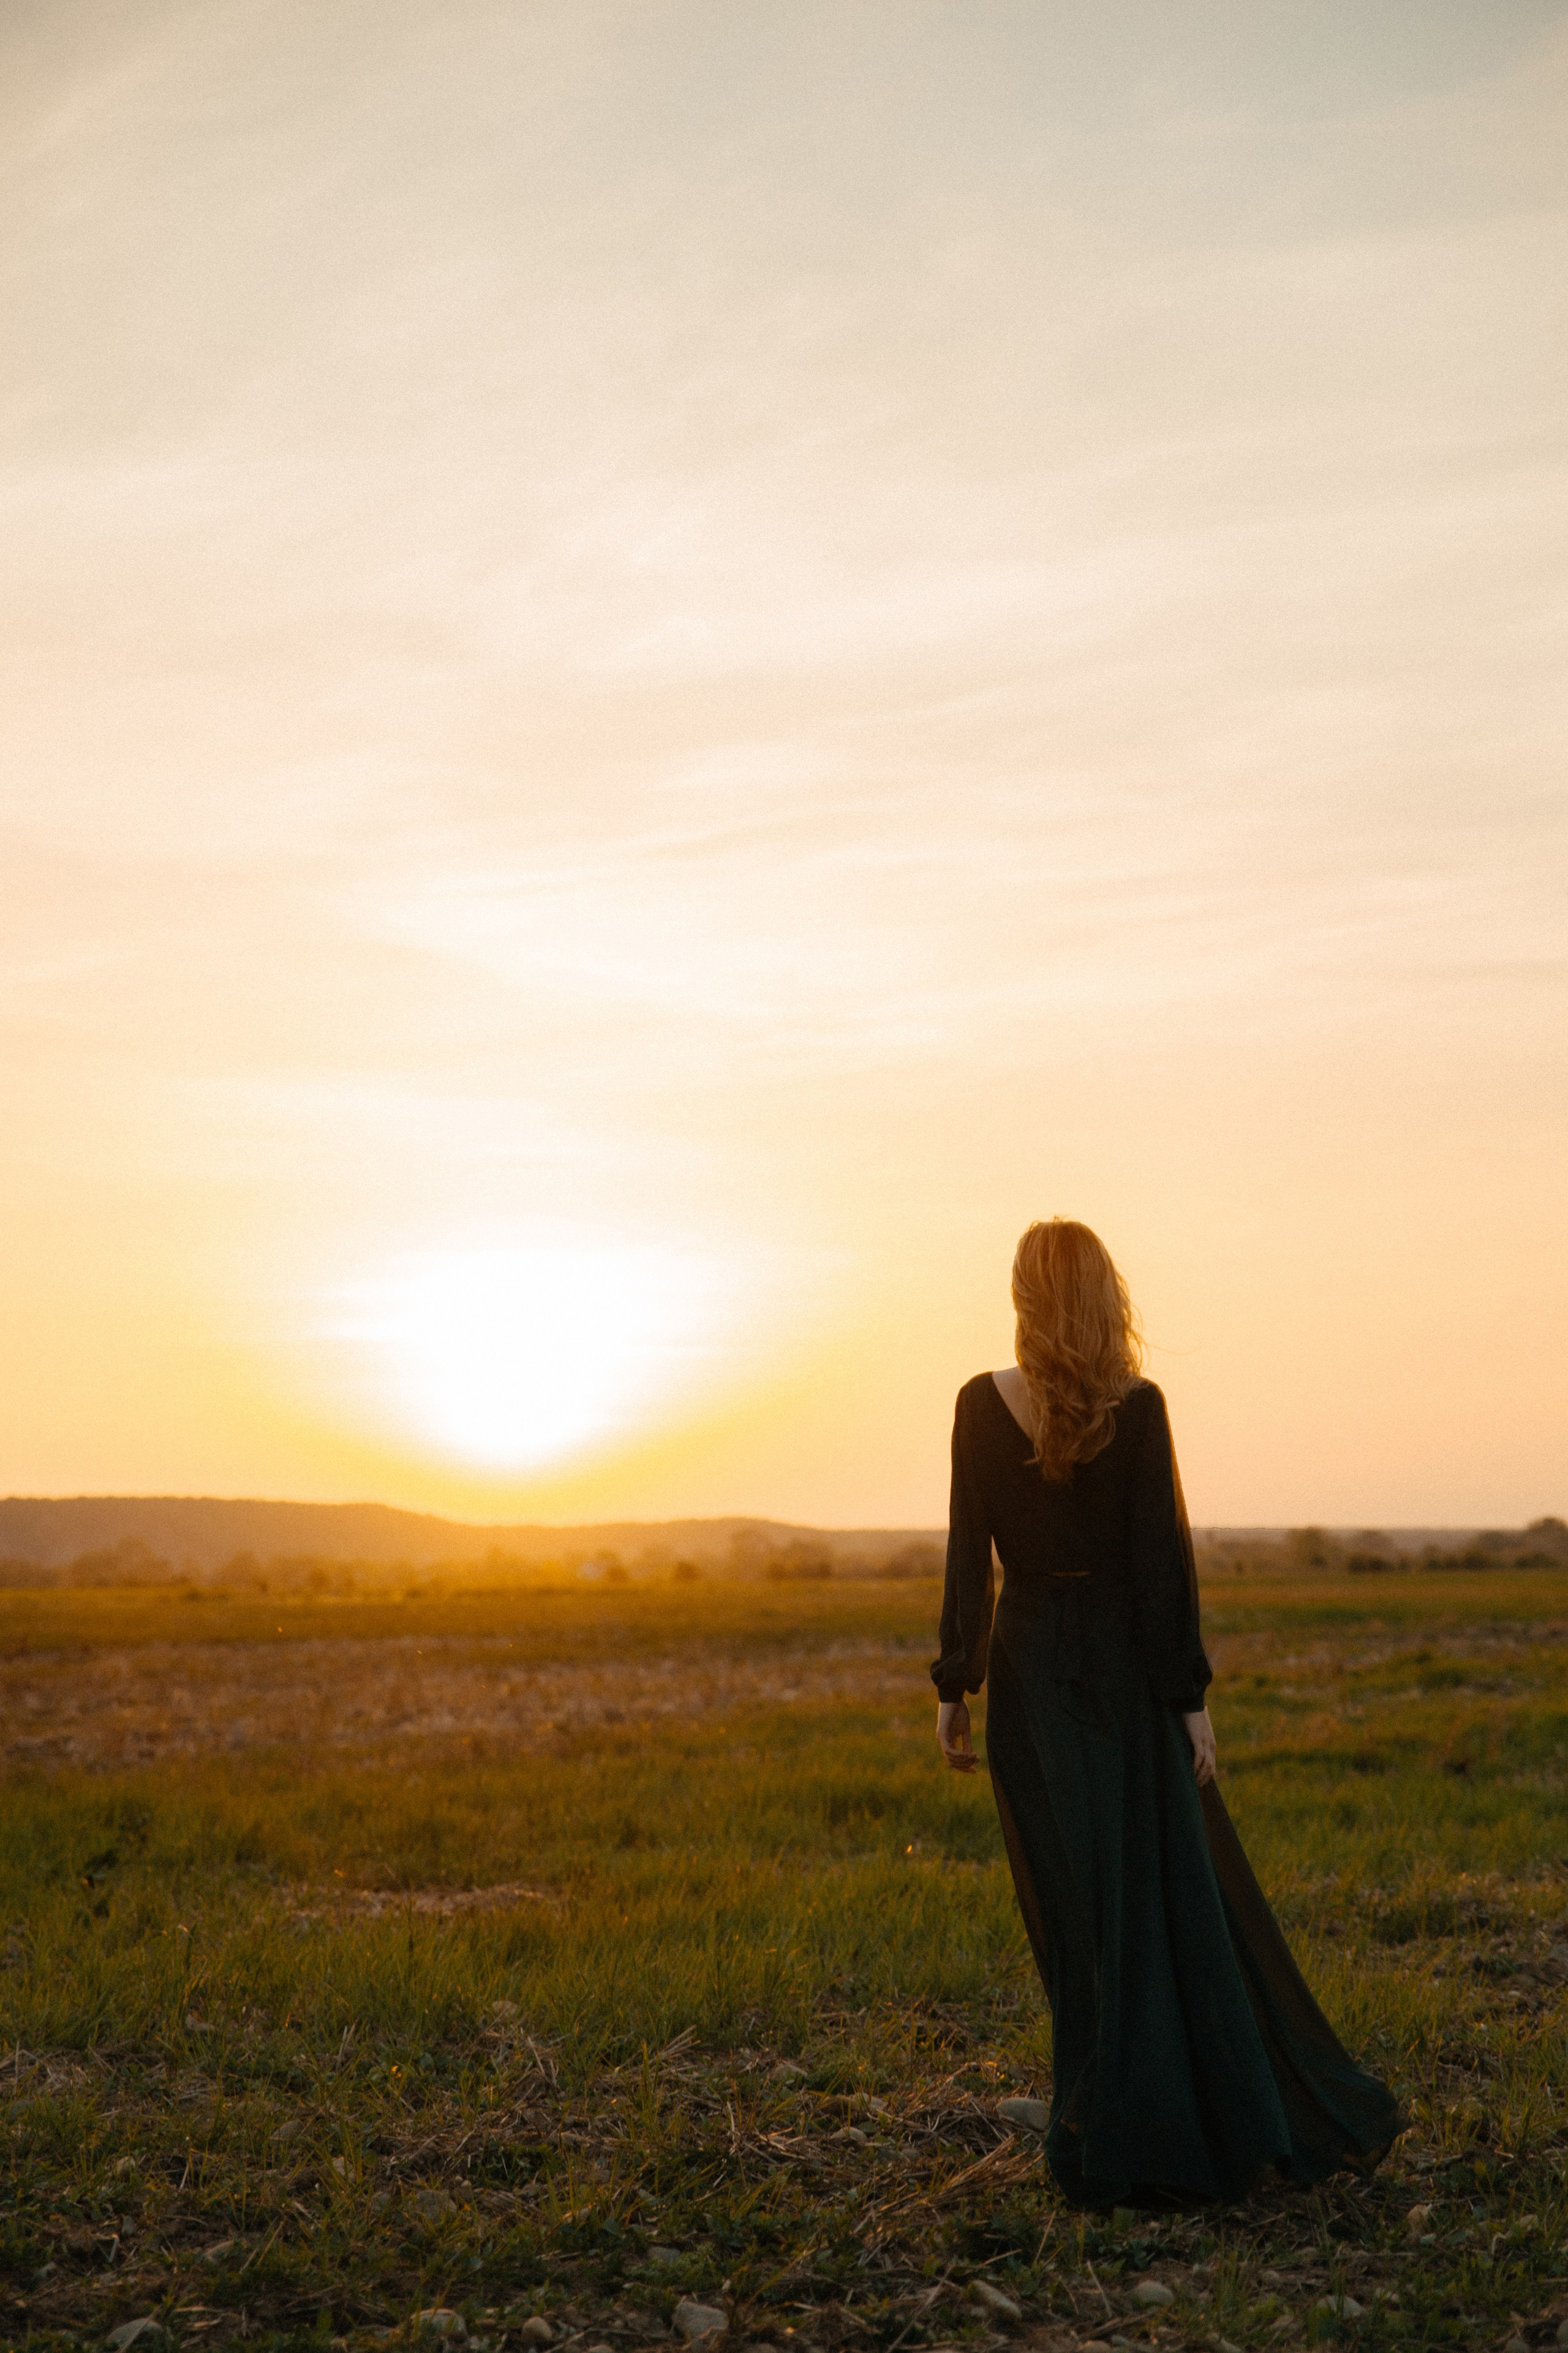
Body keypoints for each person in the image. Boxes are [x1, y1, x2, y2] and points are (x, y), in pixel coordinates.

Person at [932, 1218, 1400, 2207]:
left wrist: (954, 1686)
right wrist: (1190, 1702)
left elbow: (970, 1553)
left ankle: (1107, 2120)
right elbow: (1159, 1568)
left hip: (1031, 1676)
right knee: (1156, 1903)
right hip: (1121, 1677)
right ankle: (1145, 2117)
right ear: (1104, 1296)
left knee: (1079, 1915)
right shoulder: (1136, 1407)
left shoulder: (981, 1403)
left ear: (1023, 1297)